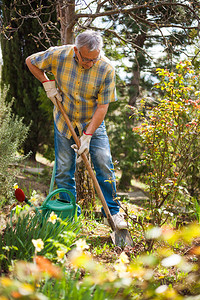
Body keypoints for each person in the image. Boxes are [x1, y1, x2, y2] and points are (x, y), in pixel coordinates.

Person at [26, 30, 128, 229]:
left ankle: (113, 213)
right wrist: (47, 83)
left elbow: (103, 107)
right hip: (64, 120)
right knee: (64, 169)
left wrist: (88, 136)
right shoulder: (59, 55)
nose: (90, 63)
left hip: (92, 122)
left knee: (103, 162)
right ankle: (68, 212)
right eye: (86, 59)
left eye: (94, 59)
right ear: (76, 51)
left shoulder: (106, 69)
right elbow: (31, 61)